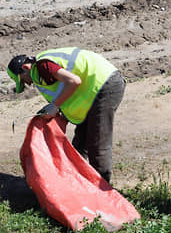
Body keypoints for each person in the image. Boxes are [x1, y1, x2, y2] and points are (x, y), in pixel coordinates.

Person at [7, 47, 126, 183]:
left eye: (23, 80)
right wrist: (55, 109)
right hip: (93, 91)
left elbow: (74, 81)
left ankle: (102, 190)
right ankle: (75, 182)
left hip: (104, 85)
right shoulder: (40, 73)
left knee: (97, 143)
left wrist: (55, 105)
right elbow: (65, 93)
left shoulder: (43, 66)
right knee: (80, 144)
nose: (27, 84)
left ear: (26, 67)